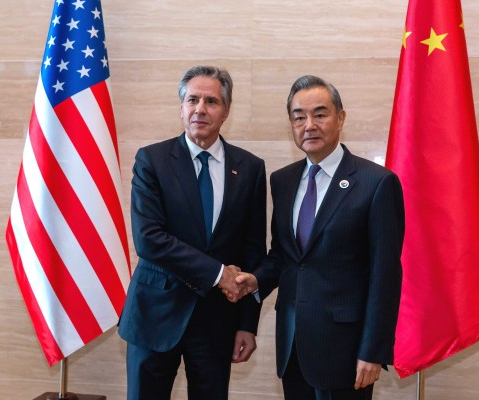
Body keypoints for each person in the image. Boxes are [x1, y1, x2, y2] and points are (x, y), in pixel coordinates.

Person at [227, 75, 405, 400]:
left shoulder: (376, 183)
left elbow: (386, 275)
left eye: (320, 114)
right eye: (299, 117)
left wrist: (373, 350)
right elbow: (284, 255)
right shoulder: (283, 181)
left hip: (346, 350)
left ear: (340, 118)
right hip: (293, 343)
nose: (309, 125)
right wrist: (257, 280)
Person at [118, 65, 267, 400]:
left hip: (217, 321)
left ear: (226, 111)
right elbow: (149, 239)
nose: (200, 108)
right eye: (193, 99)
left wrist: (247, 324)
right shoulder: (152, 160)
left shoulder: (250, 168)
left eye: (211, 101)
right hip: (154, 315)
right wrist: (218, 274)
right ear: (181, 107)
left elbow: (252, 251)